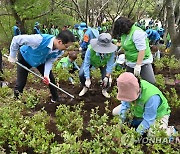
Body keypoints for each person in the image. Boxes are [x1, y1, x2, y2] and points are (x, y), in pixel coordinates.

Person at [8, 30, 75, 103]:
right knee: (21, 82)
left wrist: (46, 75)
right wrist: (12, 56)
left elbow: (50, 61)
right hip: (25, 58)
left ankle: (55, 98)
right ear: (59, 42)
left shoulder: (59, 51)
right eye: (66, 46)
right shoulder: (39, 40)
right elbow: (16, 39)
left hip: (41, 60)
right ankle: (16, 99)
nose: (66, 49)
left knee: (51, 79)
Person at [113, 16, 155, 84]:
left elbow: (142, 50)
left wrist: (138, 65)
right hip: (130, 62)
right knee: (129, 83)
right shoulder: (124, 34)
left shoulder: (137, 33)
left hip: (143, 62)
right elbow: (126, 45)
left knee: (150, 82)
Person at [79, 33, 117, 98]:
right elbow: (86, 64)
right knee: (81, 74)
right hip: (92, 62)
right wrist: (87, 78)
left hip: (103, 64)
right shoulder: (90, 49)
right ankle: (85, 87)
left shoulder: (112, 52)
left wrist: (107, 76)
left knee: (106, 80)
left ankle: (104, 90)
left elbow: (110, 64)